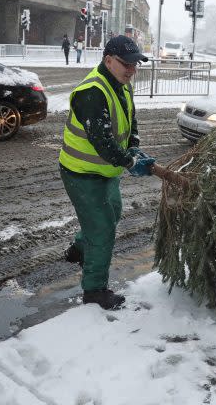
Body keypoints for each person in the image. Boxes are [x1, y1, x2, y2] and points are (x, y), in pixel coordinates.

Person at [59, 35, 154, 310]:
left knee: (111, 212)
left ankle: (79, 248)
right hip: (81, 172)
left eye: (135, 65)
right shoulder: (92, 91)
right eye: (126, 64)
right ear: (108, 60)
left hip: (105, 171)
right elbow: (102, 142)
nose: (132, 70)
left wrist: (134, 147)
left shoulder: (123, 86)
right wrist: (129, 163)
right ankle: (95, 291)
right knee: (102, 230)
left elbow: (130, 120)